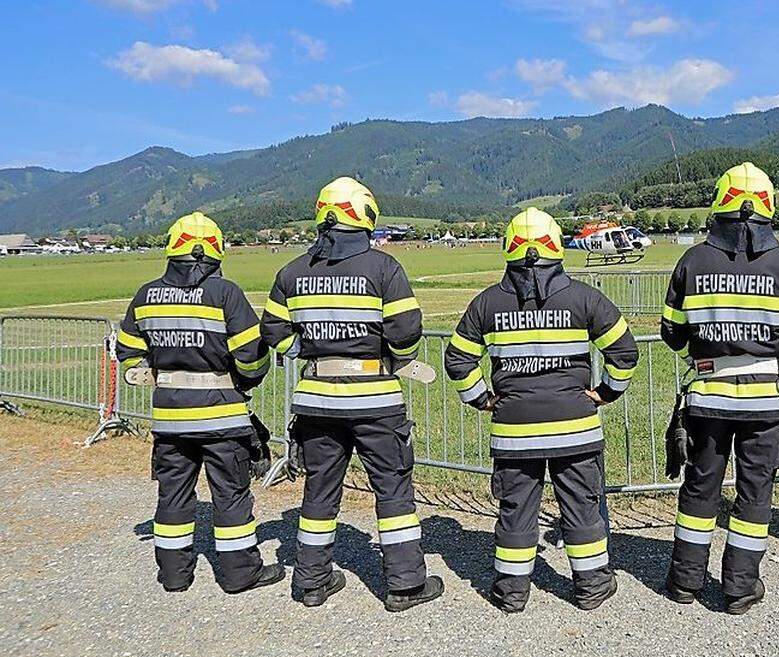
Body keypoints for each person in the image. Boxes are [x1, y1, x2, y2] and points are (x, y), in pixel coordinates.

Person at [443, 207, 638, 613]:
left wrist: (482, 398)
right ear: (557, 248)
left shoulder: (487, 303)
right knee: (582, 508)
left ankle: (512, 593)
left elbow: (457, 360)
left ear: (508, 250)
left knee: (516, 511)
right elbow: (625, 353)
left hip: (514, 432)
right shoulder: (586, 297)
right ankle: (592, 587)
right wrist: (604, 393)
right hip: (576, 429)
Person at [260, 177, 443, 610]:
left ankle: (311, 582)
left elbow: (273, 330)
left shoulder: (292, 272)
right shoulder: (384, 268)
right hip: (376, 398)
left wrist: (306, 350)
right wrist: (395, 356)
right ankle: (405, 585)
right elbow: (405, 332)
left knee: (319, 491)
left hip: (317, 399)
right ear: (365, 217)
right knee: (393, 490)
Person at [661, 162, 779, 614]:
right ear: (768, 208)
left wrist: (705, 354)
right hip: (768, 401)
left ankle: (684, 582)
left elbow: (672, 333)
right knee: (755, 493)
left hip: (709, 397)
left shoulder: (692, 260)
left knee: (699, 489)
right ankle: (738, 589)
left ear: (719, 205)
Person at [115, 212, 283, 594]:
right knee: (231, 494)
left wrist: (161, 368)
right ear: (216, 252)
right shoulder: (226, 294)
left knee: (172, 494)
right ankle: (240, 574)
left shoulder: (146, 296)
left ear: (172, 250)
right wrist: (244, 380)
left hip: (170, 419)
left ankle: (174, 575)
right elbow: (253, 357)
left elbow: (127, 349)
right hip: (222, 415)